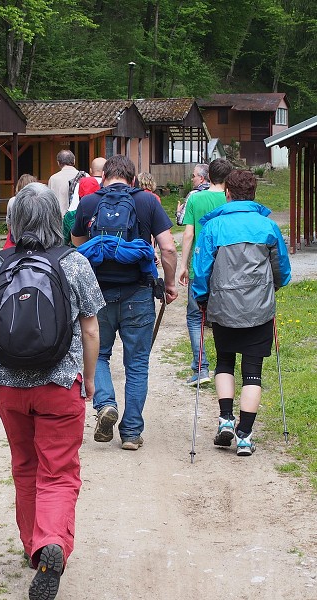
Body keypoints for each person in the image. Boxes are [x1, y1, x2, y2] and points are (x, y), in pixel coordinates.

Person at [0, 182, 104, 600]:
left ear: (13, 221)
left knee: (25, 466)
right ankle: (52, 542)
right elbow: (91, 329)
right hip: (60, 384)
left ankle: (33, 547)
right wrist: (89, 378)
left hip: (8, 387)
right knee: (58, 471)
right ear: (56, 219)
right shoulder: (74, 262)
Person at [71, 155, 178, 450]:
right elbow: (167, 248)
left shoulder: (89, 203)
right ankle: (131, 432)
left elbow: (78, 246)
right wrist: (169, 283)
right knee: (137, 364)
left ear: (104, 177)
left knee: (100, 354)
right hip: (138, 293)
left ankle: (106, 404)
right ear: (132, 179)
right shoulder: (147, 201)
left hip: (98, 295)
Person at [192, 169, 291, 456]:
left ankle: (225, 418)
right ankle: (245, 436)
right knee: (253, 372)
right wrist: (269, 290)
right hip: (259, 309)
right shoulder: (267, 227)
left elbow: (202, 271)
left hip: (222, 307)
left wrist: (202, 299)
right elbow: (281, 270)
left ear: (227, 193)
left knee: (224, 362)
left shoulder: (213, 228)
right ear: (254, 194)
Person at [178, 158, 232, 385]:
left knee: (194, 317)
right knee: (225, 317)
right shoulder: (232, 199)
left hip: (200, 267)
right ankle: (226, 367)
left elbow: (188, 234)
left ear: (208, 176)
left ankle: (201, 368)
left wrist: (183, 265)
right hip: (227, 267)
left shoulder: (196, 198)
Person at [4, 173, 37, 249]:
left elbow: (9, 223)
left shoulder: (12, 201)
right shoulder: (39, 201)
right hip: (35, 237)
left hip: (15, 238)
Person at [47, 149, 84, 216]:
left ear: (58, 162)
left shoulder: (53, 179)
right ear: (74, 161)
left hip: (59, 220)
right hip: (79, 220)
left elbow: (50, 202)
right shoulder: (85, 176)